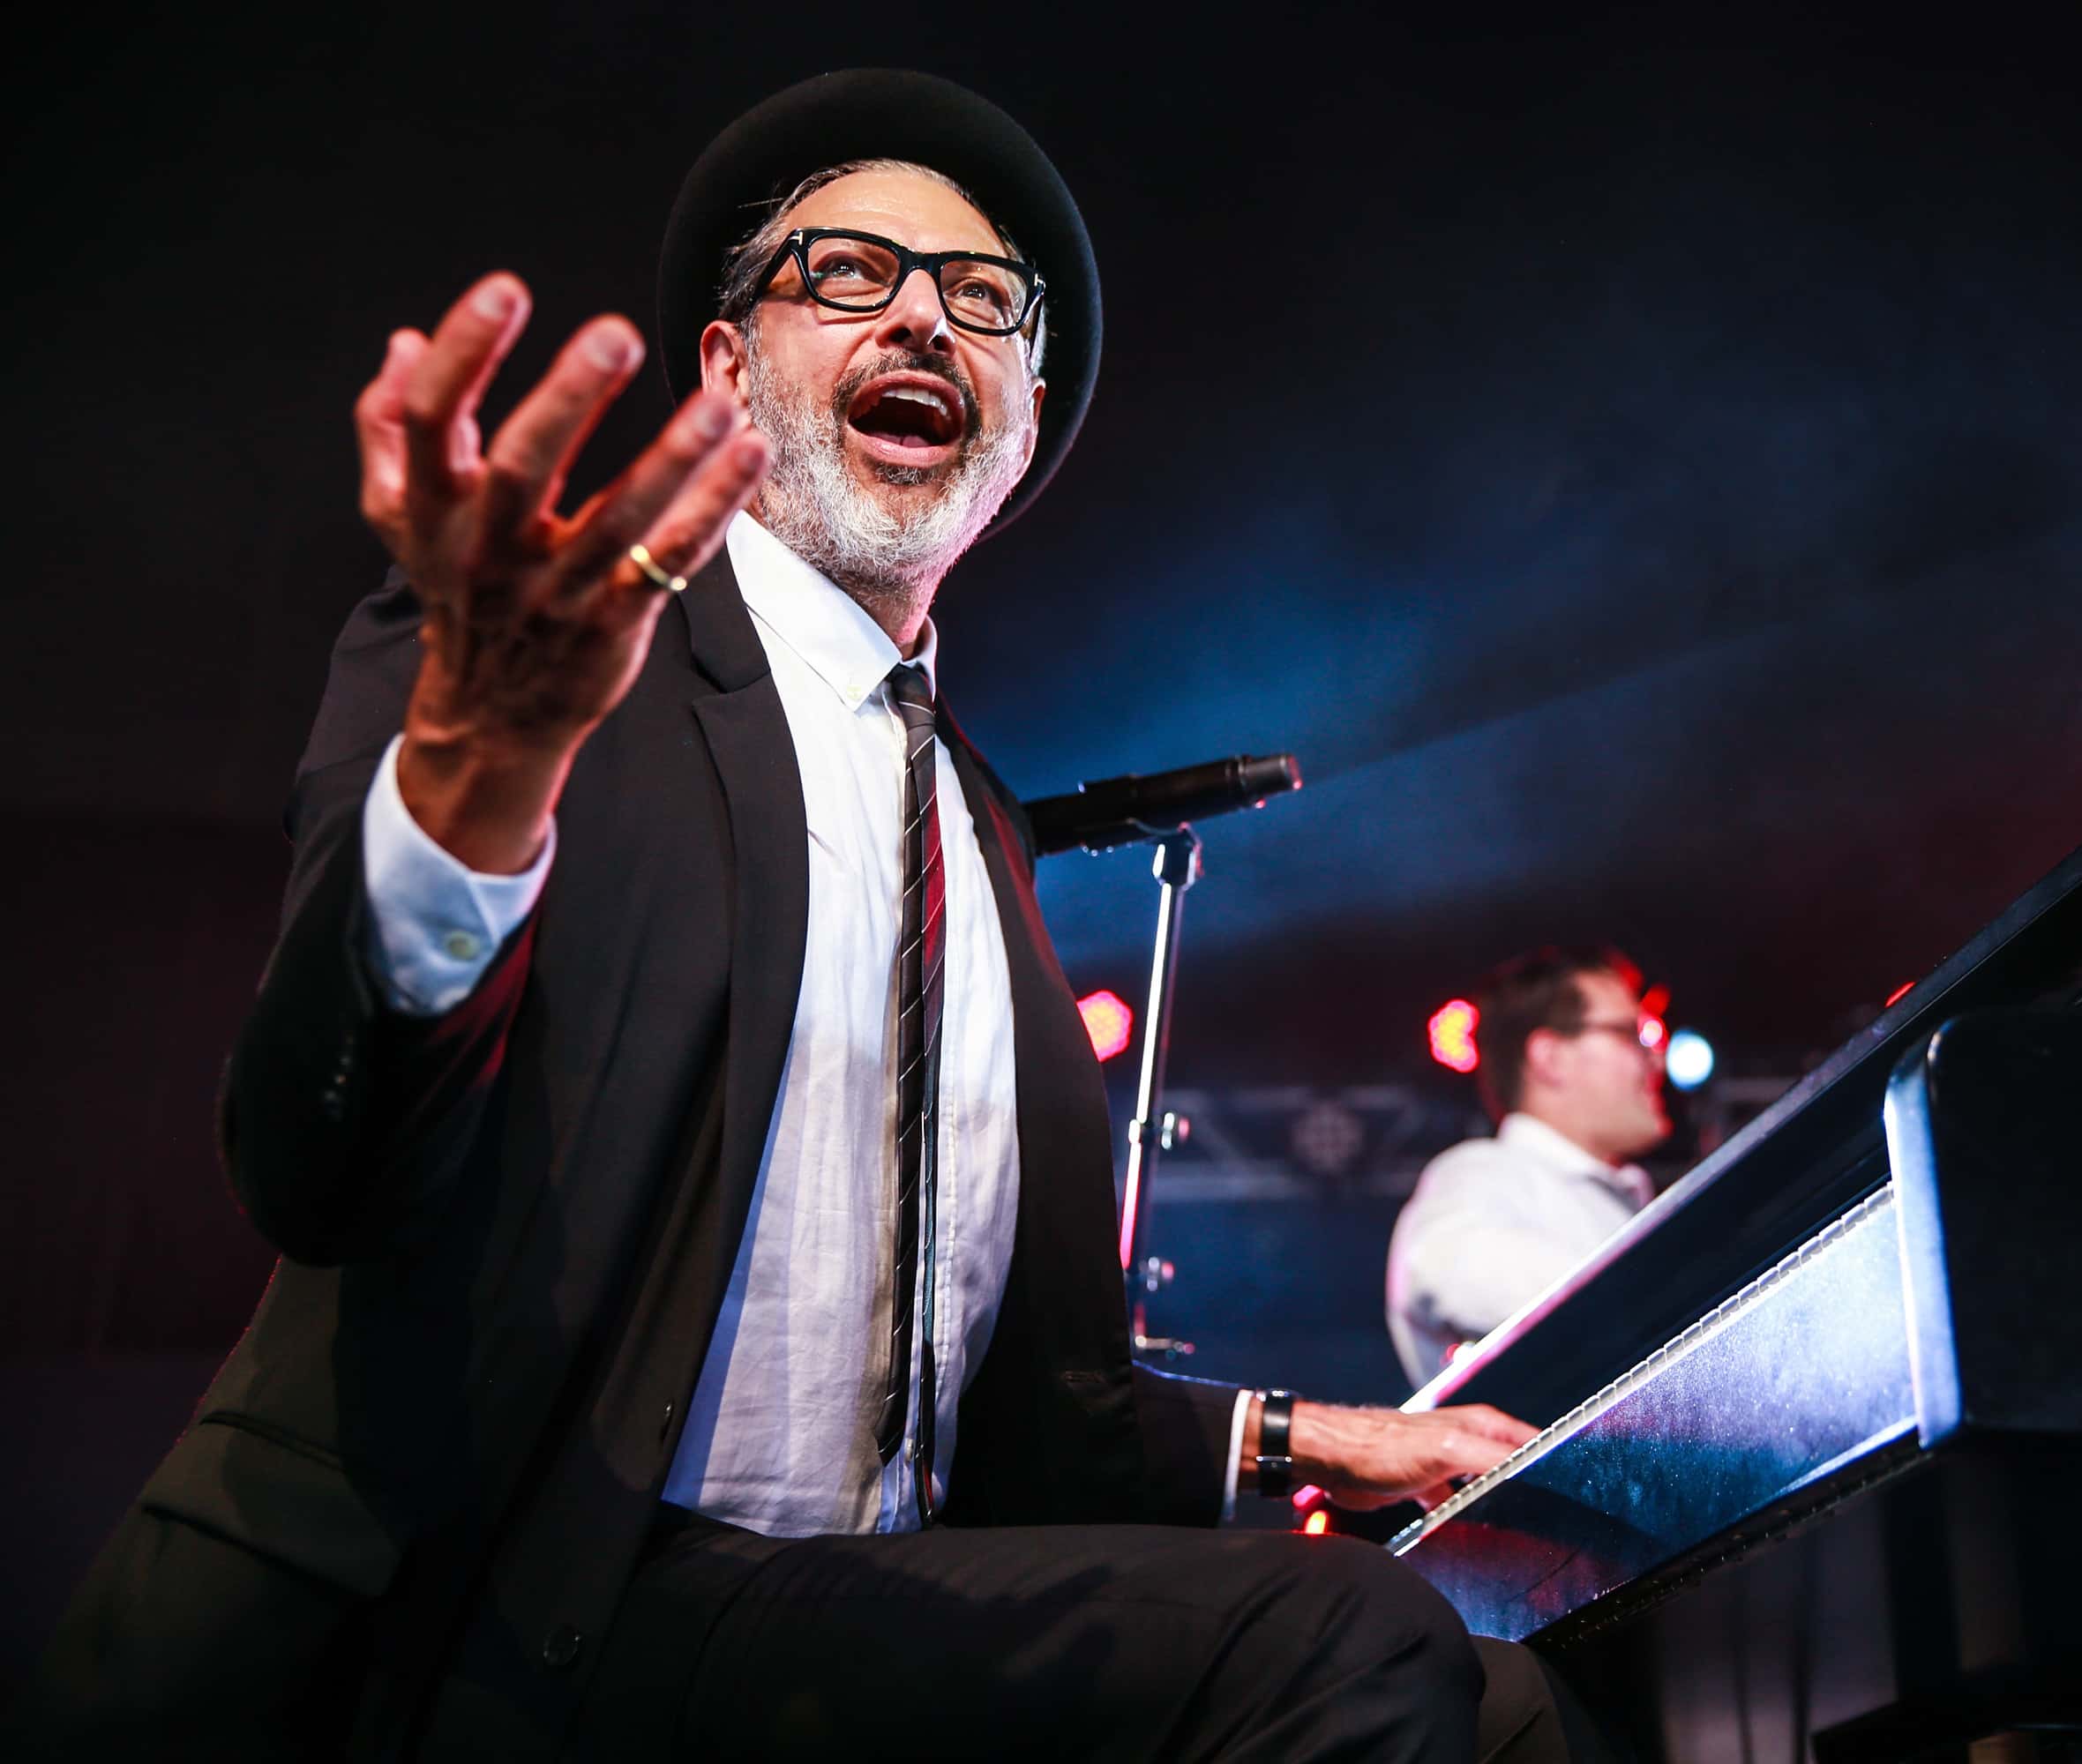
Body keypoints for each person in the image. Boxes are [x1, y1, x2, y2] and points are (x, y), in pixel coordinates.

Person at [18, 71, 1609, 1762]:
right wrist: (478, 788)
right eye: (847, 272)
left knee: (1518, 1698)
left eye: (982, 301)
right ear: (725, 367)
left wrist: (1302, 1434)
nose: (923, 316)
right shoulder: (554, 668)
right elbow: (317, 1161)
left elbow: (1023, 1420)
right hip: (499, 1616)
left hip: (830, 1626)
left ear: (1024, 409)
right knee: (1342, 1641)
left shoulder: (974, 825)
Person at [1387, 950, 1672, 1388]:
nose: (1655, 1058)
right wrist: (1677, 1295)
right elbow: (1447, 1268)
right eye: (1631, 1034)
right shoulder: (1484, 1170)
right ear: (1550, 1058)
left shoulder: (1620, 1193)